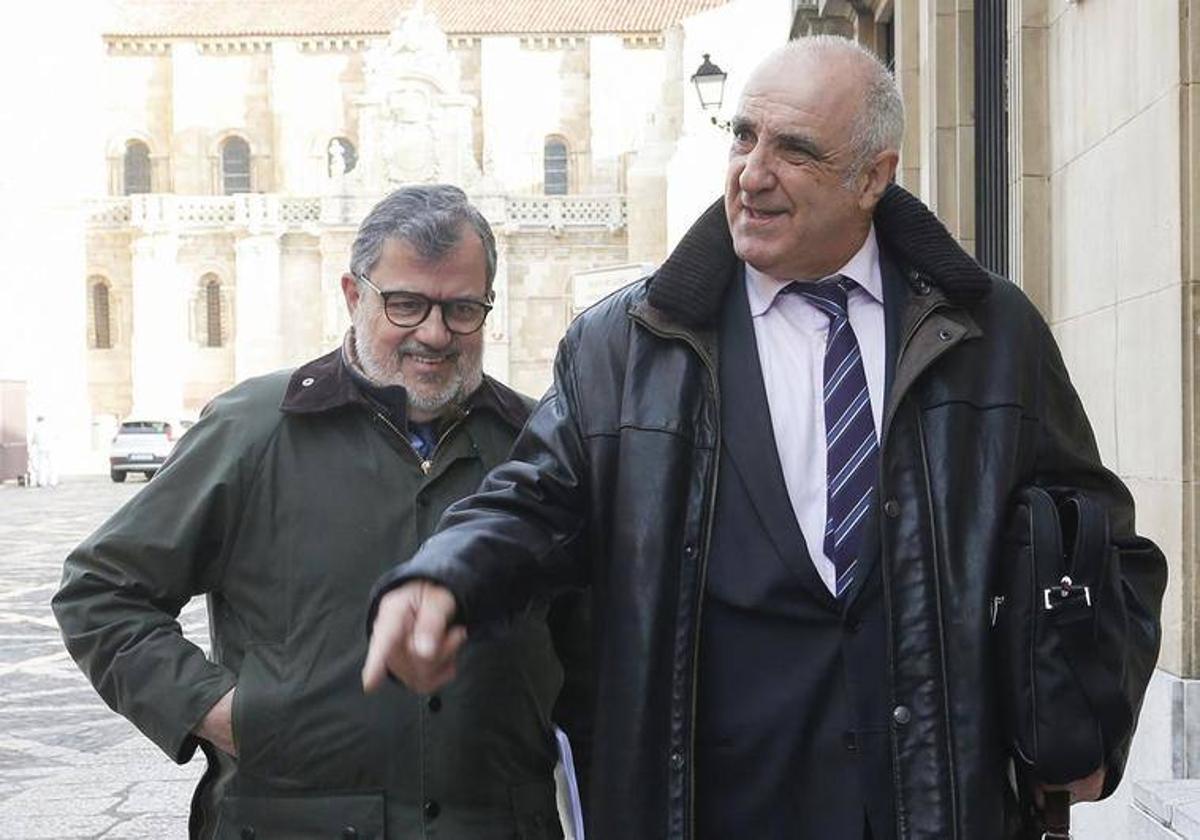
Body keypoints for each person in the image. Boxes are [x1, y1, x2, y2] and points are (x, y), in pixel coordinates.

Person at [362, 38, 1167, 840]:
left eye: (794, 150)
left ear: (873, 178)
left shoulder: (992, 335)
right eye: (743, 137)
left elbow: (1103, 540)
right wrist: (443, 576)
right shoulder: (624, 345)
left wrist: (1102, 715)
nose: (752, 173)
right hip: (706, 806)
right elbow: (533, 502)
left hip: (933, 805)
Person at [54, 185, 584, 839]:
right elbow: (100, 593)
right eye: (406, 304)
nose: (435, 333)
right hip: (289, 820)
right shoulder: (254, 429)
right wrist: (219, 710)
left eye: (462, 308)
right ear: (353, 294)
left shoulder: (537, 445)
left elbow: (597, 644)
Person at [29, 415, 58, 488]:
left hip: (41, 449)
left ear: (38, 420)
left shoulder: (36, 428)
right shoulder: (49, 427)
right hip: (51, 448)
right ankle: (53, 481)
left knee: (42, 466)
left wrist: (31, 447)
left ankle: (42, 482)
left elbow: (33, 440)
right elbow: (56, 436)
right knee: (52, 465)